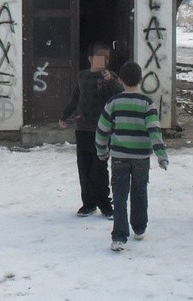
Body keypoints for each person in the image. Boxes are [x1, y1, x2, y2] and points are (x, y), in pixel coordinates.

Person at [96, 61, 168, 251]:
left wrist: (102, 151)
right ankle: (139, 227)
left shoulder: (113, 102)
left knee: (119, 196)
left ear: (120, 80)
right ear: (141, 80)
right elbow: (154, 130)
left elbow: (102, 129)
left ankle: (119, 236)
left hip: (119, 156)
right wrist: (161, 155)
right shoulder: (147, 103)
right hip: (141, 158)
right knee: (140, 191)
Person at [59, 42, 123, 218]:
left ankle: (105, 203)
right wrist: (65, 116)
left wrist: (111, 81)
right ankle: (88, 203)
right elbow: (75, 100)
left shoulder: (111, 78)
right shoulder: (82, 77)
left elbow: (121, 95)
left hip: (103, 131)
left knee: (100, 168)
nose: (104, 61)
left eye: (107, 58)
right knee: (84, 167)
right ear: (90, 59)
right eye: (100, 58)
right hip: (83, 129)